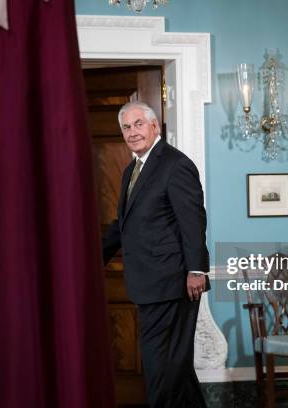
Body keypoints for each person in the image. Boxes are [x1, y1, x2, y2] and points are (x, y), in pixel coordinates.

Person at [102, 101, 209, 407]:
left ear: (154, 126)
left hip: (173, 283)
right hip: (151, 284)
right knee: (174, 366)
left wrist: (196, 270)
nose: (132, 132)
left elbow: (193, 221)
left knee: (159, 365)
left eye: (138, 124)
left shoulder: (175, 164)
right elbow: (122, 226)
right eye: (126, 127)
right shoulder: (132, 170)